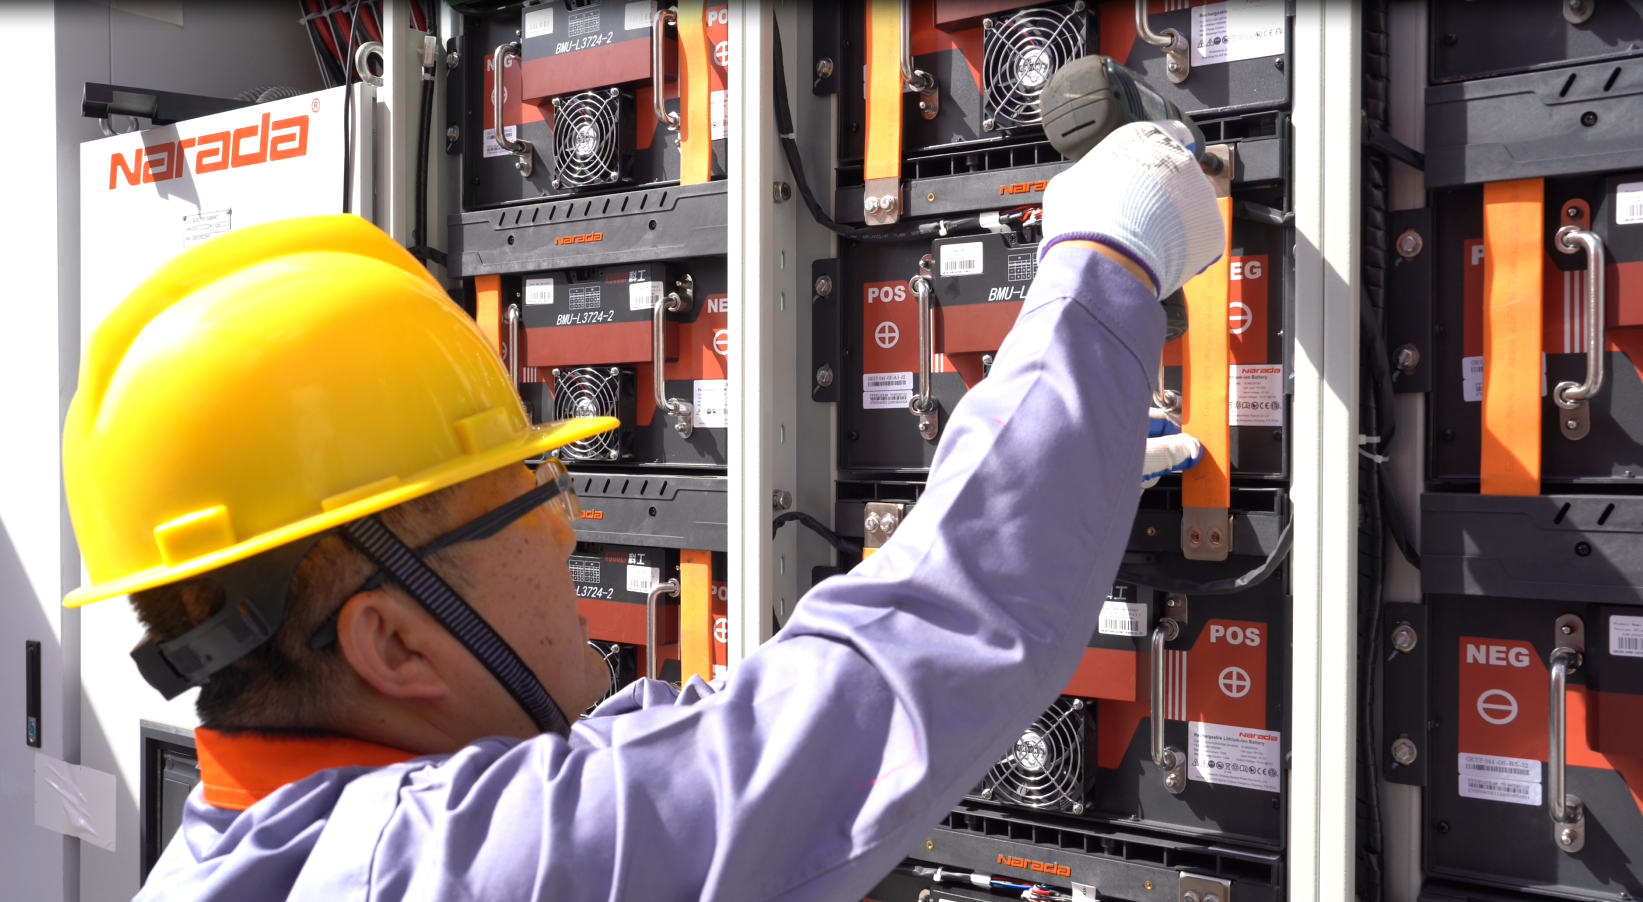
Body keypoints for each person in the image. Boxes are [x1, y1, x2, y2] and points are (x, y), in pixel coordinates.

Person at [63, 120, 1220, 901]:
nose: (569, 527)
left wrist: (1065, 447)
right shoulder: (441, 867)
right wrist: (1104, 260)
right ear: (392, 639)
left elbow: (668, 754)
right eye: (530, 495)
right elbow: (900, 666)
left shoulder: (237, 851)